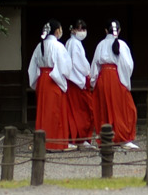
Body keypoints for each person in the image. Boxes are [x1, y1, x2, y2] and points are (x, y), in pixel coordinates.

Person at [91, 20, 139, 149]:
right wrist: (125, 82)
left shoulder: (100, 44)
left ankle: (107, 138)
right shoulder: (122, 45)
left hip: (102, 78)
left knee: (104, 108)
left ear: (106, 31)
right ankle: (123, 137)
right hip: (116, 77)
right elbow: (127, 65)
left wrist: (94, 81)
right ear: (119, 30)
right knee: (124, 108)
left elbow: (95, 64)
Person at [27, 21, 71, 150]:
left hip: (43, 79)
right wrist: (62, 81)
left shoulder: (39, 46)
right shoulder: (58, 46)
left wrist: (36, 81)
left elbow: (32, 67)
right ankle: (55, 143)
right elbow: (65, 67)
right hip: (53, 79)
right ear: (57, 31)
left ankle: (42, 143)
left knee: (43, 111)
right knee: (55, 112)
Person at [63, 19, 97, 147]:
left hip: (74, 81)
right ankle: (78, 138)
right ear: (73, 30)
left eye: (83, 29)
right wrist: (87, 71)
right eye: (79, 29)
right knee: (83, 110)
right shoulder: (74, 43)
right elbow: (79, 62)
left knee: (76, 111)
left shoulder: (71, 42)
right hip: (77, 81)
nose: (82, 32)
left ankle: (78, 138)